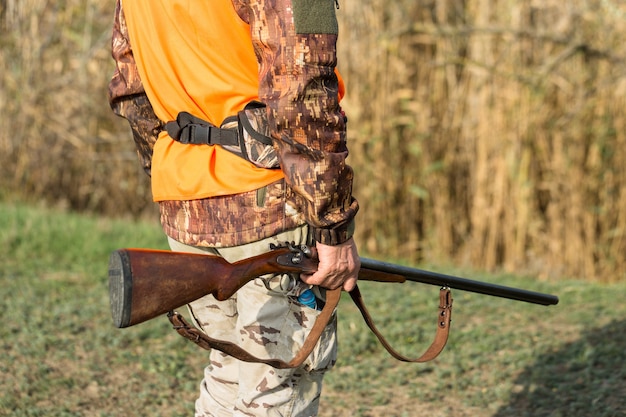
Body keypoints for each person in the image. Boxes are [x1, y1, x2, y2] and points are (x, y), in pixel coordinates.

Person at [108, 0, 360, 416]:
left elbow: (129, 85)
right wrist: (332, 224)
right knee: (277, 387)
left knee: (231, 372)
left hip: (184, 195)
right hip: (270, 200)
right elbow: (303, 86)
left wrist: (173, 175)